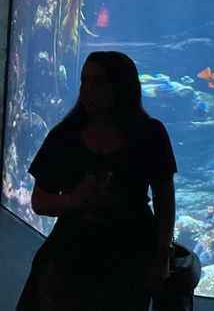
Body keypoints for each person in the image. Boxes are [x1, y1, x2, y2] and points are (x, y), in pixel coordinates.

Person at [17, 51, 178, 311]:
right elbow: (39, 202)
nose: (88, 90)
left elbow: (165, 200)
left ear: (121, 86)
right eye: (84, 81)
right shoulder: (64, 136)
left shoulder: (151, 134)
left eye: (99, 82)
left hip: (130, 255)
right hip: (70, 256)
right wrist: (75, 200)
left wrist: (162, 254)